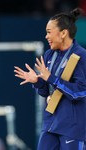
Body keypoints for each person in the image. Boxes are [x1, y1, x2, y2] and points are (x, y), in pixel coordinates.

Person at [14, 8, 86, 150]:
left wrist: (51, 78)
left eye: (49, 31)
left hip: (73, 126)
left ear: (63, 33)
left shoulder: (81, 56)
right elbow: (46, 91)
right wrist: (38, 82)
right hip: (50, 123)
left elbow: (80, 92)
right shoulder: (49, 55)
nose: (46, 36)